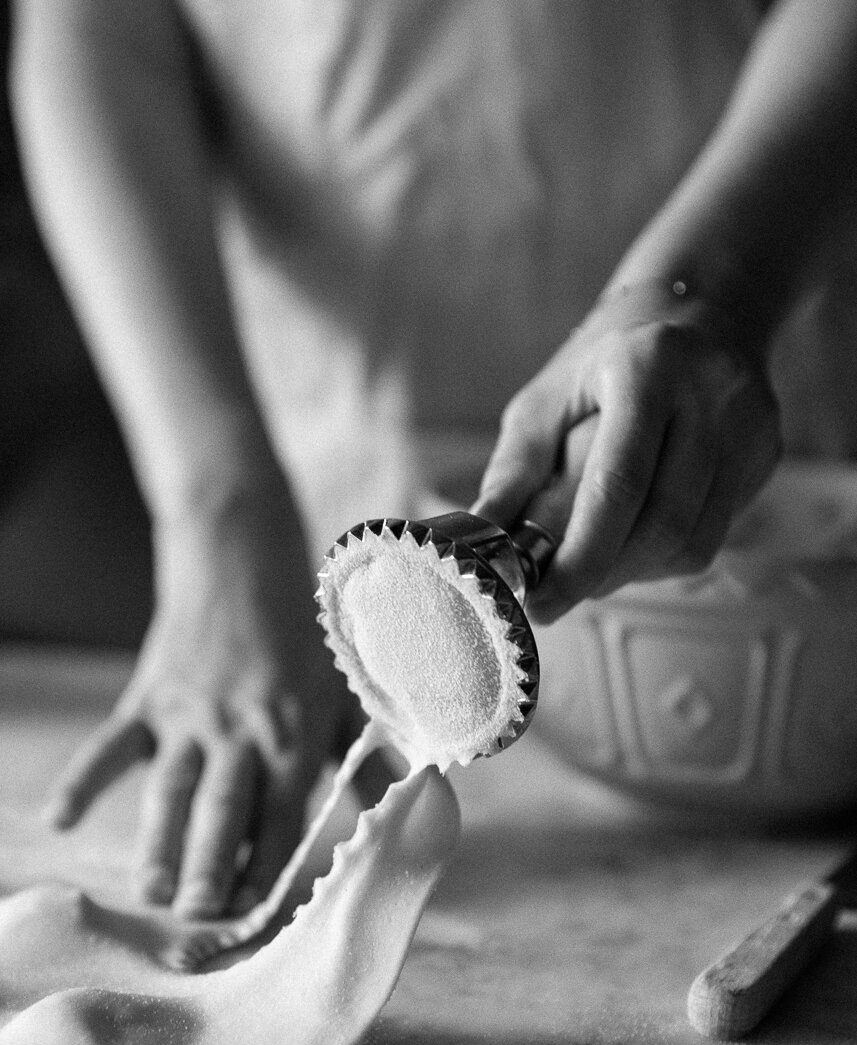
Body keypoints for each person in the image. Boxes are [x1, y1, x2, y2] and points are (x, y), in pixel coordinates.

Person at [8, 0, 857, 918]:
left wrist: (710, 289)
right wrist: (216, 506)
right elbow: (93, 25)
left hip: (751, 504)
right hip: (333, 514)